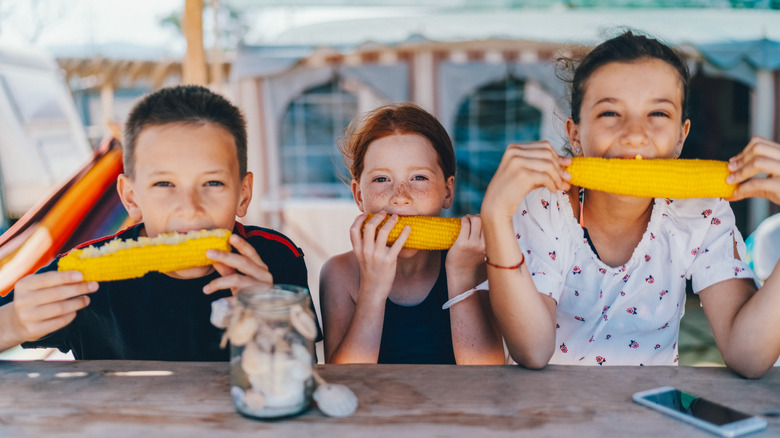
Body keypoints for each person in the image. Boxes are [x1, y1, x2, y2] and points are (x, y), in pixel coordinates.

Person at [480, 31, 780, 378]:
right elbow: (532, 350)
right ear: (576, 135)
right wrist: (495, 216)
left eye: (657, 113)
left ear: (681, 136)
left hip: (649, 415)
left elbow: (749, 354)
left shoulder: (700, 210)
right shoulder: (544, 206)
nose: (635, 134)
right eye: (610, 112)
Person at [0, 85, 318, 360]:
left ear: (243, 194)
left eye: (213, 183)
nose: (190, 208)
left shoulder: (275, 258)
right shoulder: (80, 276)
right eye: (164, 184)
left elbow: (307, 368)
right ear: (131, 198)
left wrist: (272, 312)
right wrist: (14, 322)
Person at [319, 103, 504, 364]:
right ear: (358, 195)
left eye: (419, 177)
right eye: (382, 179)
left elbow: (488, 375)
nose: (401, 197)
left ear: (448, 191)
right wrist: (372, 288)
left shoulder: (475, 263)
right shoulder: (340, 274)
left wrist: (462, 277)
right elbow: (344, 382)